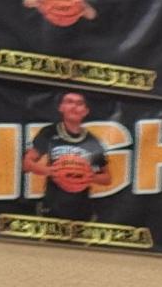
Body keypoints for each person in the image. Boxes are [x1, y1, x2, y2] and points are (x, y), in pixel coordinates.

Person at [22, 90, 107, 224]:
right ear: (61, 107)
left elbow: (107, 178)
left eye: (79, 103)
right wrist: (51, 171)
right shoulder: (49, 133)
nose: (74, 106)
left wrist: (89, 175)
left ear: (86, 111)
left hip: (83, 209)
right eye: (69, 102)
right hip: (52, 206)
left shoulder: (92, 141)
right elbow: (27, 163)